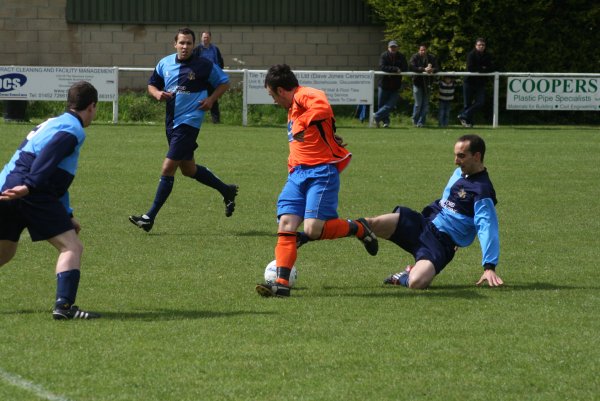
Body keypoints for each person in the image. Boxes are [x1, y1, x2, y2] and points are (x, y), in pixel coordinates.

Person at [255, 64, 378, 298]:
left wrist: (303, 123)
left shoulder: (304, 94)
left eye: (272, 95)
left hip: (321, 172)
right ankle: (281, 284)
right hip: (296, 175)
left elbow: (322, 106)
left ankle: (359, 227)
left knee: (312, 230)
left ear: (281, 90)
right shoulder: (292, 107)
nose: (273, 101)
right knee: (286, 225)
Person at [0, 81, 101, 320]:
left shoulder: (51, 122)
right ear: (92, 106)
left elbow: (58, 176)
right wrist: (30, 185)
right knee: (71, 246)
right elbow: (49, 155)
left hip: (6, 188)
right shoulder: (73, 129)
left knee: (4, 252)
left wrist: (67, 213)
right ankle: (64, 307)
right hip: (31, 190)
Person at [129, 27, 238, 232]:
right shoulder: (165, 63)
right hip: (171, 123)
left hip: (189, 123)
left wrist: (211, 100)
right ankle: (227, 191)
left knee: (167, 168)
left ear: (193, 45)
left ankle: (149, 217)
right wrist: (157, 94)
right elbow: (152, 84)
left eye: (189, 43)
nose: (185, 46)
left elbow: (224, 83)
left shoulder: (204, 65)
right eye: (182, 43)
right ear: (175, 44)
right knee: (188, 170)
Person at [366, 134, 503, 289]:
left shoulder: (482, 191)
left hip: (440, 244)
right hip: (422, 224)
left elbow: (487, 227)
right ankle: (335, 227)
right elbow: (445, 203)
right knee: (367, 224)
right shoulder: (458, 173)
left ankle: (403, 277)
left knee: (417, 282)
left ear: (477, 156)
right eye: (455, 155)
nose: (456, 161)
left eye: (461, 156)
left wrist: (489, 266)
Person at [458, 38, 494, 128]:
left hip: (480, 83)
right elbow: (470, 68)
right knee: (467, 104)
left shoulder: (487, 55)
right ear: (475, 46)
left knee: (480, 102)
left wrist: (480, 68)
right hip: (469, 82)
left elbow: (490, 67)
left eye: (483, 45)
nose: (481, 46)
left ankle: (463, 115)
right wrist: (483, 68)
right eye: (479, 45)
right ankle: (468, 123)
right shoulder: (471, 55)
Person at [373, 41, 408, 128]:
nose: (393, 48)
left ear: (397, 48)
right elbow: (382, 66)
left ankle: (375, 116)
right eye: (391, 47)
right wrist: (395, 69)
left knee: (391, 105)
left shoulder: (401, 56)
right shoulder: (384, 55)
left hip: (395, 86)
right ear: (388, 48)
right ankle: (385, 122)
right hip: (384, 84)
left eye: (394, 47)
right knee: (381, 105)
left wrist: (399, 69)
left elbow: (405, 67)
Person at [193, 31, 224, 124]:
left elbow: (220, 62)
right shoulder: (198, 49)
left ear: (210, 38)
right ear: (201, 38)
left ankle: (216, 120)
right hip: (201, 78)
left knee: (213, 99)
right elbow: (193, 63)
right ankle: (195, 118)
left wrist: (218, 73)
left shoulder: (215, 49)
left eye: (207, 37)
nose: (205, 39)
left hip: (212, 78)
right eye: (204, 37)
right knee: (197, 98)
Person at [409, 44, 438, 128]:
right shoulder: (414, 57)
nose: (423, 51)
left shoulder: (431, 58)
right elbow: (412, 67)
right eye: (421, 50)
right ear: (419, 50)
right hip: (417, 83)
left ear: (427, 50)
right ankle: (415, 120)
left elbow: (437, 68)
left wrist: (432, 70)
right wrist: (423, 69)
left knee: (425, 105)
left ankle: (421, 122)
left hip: (428, 84)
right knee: (418, 104)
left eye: (424, 50)